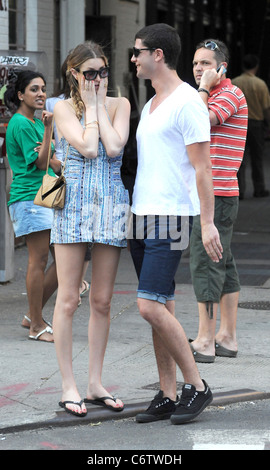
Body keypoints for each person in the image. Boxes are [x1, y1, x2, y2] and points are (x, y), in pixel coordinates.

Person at [129, 23, 222, 425]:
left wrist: (207, 223)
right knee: (160, 305)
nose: (133, 59)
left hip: (171, 216)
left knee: (148, 305)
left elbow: (204, 168)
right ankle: (167, 392)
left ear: (159, 55)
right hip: (140, 214)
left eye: (138, 52)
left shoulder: (187, 102)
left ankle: (197, 386)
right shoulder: (151, 103)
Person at [50, 41, 130, 417]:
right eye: (90, 73)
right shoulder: (62, 107)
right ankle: (69, 385)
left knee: (102, 300)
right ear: (74, 75)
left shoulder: (120, 104)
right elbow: (88, 147)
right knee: (69, 298)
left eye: (102, 71)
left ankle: (95, 382)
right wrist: (90, 111)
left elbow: (115, 148)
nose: (98, 78)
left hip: (112, 206)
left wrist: (98, 105)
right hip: (73, 207)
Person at [189, 39, 248, 362]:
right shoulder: (214, 94)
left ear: (222, 67)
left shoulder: (228, 94)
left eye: (206, 63)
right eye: (197, 63)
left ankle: (206, 339)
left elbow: (201, 121)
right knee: (223, 261)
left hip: (217, 193)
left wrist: (204, 88)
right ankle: (227, 336)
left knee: (205, 262)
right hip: (215, 192)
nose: (199, 69)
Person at [4, 70, 60, 342]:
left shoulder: (35, 122)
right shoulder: (23, 123)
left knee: (63, 262)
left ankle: (32, 314)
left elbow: (51, 158)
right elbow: (40, 162)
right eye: (34, 89)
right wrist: (50, 129)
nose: (41, 94)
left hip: (45, 196)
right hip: (29, 198)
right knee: (38, 261)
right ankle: (36, 324)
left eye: (43, 89)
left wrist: (50, 150)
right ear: (20, 95)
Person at [46, 55, 90, 304]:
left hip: (85, 173)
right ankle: (70, 286)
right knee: (62, 237)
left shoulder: (98, 102)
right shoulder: (56, 102)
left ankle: (77, 284)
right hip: (60, 172)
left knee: (85, 240)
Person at [232, 54, 270, 198]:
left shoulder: (235, 83)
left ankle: (239, 190)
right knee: (257, 157)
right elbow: (266, 108)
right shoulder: (260, 84)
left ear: (243, 66)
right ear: (256, 66)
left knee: (238, 159)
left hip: (237, 124)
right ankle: (259, 188)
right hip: (256, 124)